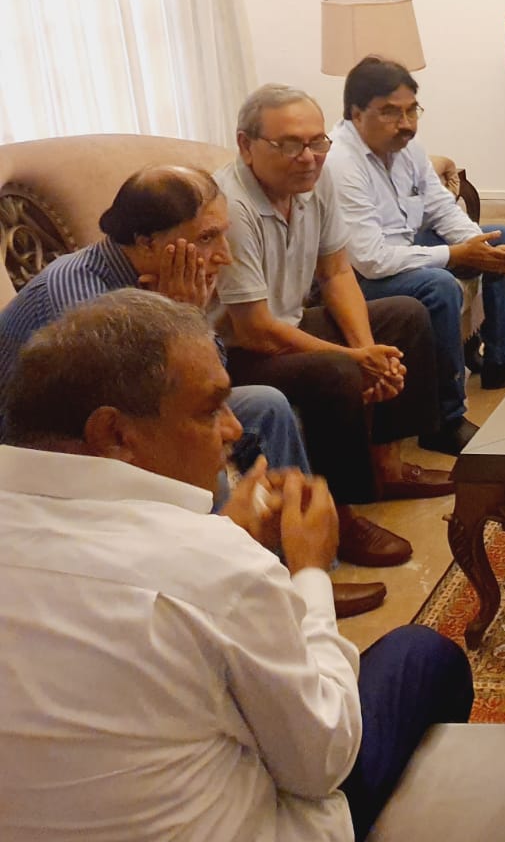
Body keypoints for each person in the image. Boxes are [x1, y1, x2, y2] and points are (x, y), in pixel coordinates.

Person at [0, 290, 473, 840]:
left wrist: (224, 539)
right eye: (210, 410)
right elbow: (324, 760)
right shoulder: (209, 561)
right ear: (115, 434)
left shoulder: (198, 555)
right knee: (422, 654)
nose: (232, 430)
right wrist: (308, 570)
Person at [0, 167, 381, 618]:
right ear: (147, 242)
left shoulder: (152, 276)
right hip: (57, 444)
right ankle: (219, 585)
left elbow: (209, 382)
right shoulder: (81, 298)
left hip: (137, 407)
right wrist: (181, 313)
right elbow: (132, 408)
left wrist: (186, 315)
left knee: (267, 404)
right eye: (206, 238)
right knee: (199, 443)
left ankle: (299, 570)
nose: (224, 255)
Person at [214, 84, 451, 570]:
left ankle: (387, 466)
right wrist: (352, 360)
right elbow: (255, 329)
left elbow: (337, 273)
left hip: (287, 322)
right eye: (289, 144)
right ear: (246, 145)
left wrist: (370, 352)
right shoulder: (231, 207)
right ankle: (337, 515)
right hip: (235, 350)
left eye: (317, 142)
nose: (308, 157)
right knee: (334, 372)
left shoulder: (314, 181)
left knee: (404, 316)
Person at [326, 56, 505, 453]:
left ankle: (504, 360)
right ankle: (443, 420)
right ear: (356, 113)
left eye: (411, 111)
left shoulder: (408, 149)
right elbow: (371, 259)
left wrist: (479, 245)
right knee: (438, 285)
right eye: (390, 112)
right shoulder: (340, 165)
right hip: (356, 276)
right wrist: (454, 255)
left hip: (401, 248)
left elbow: (440, 208)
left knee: (500, 235)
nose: (406, 123)